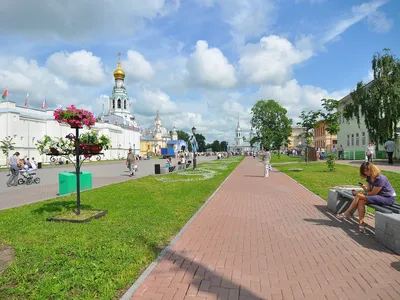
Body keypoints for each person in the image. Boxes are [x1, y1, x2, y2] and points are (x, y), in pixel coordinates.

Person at [336, 162, 396, 233]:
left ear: (372, 169)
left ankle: (347, 212)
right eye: (364, 171)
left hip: (387, 198)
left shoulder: (381, 178)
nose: (366, 172)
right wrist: (364, 187)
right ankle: (361, 223)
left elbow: (373, 193)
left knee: (358, 196)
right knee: (361, 201)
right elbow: (369, 190)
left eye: (367, 170)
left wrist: (360, 194)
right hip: (378, 196)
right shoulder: (369, 177)